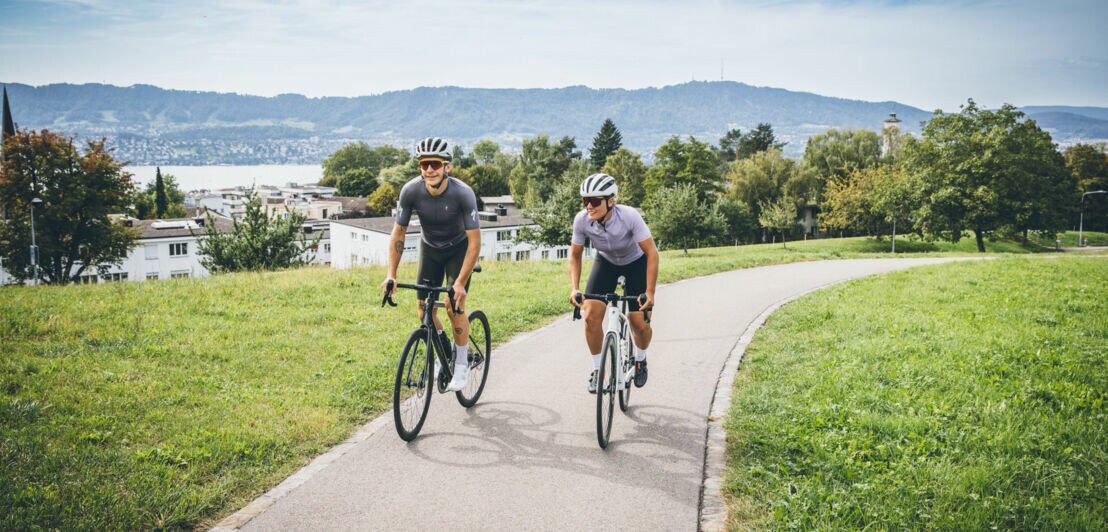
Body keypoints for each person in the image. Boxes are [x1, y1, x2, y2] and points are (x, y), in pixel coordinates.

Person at [381, 137, 481, 392]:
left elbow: (474, 243)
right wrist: (391, 274)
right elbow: (399, 233)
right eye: (424, 164)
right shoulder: (410, 191)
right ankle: (443, 350)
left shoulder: (463, 193)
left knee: (452, 306)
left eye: (435, 164)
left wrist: (459, 283)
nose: (429, 170)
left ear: (446, 166)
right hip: (430, 249)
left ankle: (461, 363)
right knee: (422, 308)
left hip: (458, 249)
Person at [568, 173, 659, 393]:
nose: (589, 206)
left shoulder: (629, 216)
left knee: (640, 323)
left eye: (595, 201)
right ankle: (599, 370)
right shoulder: (581, 220)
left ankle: (640, 358)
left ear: (611, 201)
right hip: (606, 262)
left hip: (635, 262)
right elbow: (575, 255)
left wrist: (649, 292)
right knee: (590, 318)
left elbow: (652, 253)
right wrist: (575, 288)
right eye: (585, 201)